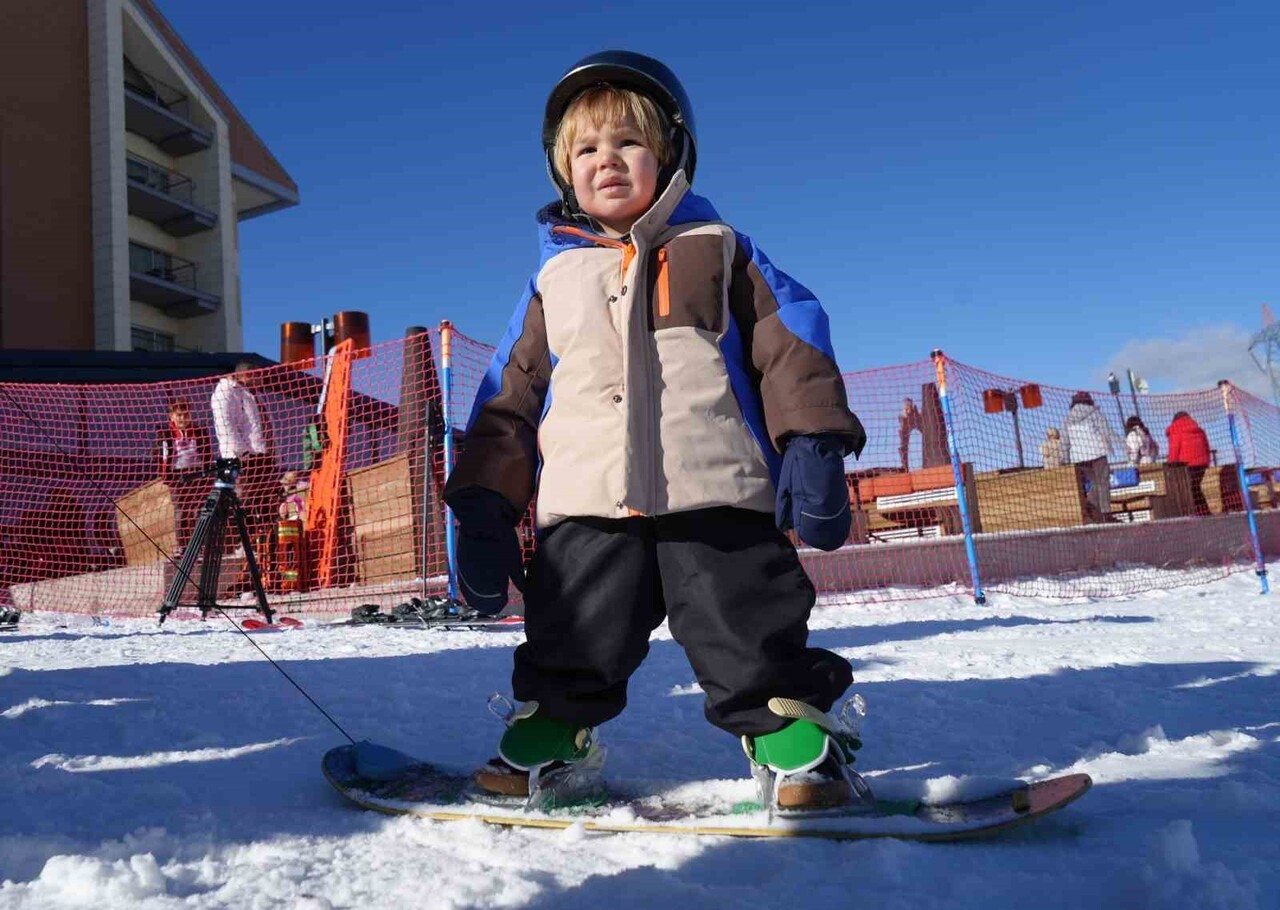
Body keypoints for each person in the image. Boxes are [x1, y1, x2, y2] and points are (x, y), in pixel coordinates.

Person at [443, 51, 867, 811]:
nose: (606, 160)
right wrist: (483, 503)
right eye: (585, 149)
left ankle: (791, 738)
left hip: (716, 488)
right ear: (560, 170)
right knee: (573, 632)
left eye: (628, 142)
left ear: (669, 152)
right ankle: (558, 737)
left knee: (746, 625)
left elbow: (788, 340)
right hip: (587, 501)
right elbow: (507, 398)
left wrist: (813, 440)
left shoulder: (721, 248)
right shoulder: (552, 281)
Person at [210, 361, 276, 553]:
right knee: (241, 498)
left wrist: (268, 450)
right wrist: (242, 453)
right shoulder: (225, 392)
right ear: (248, 375)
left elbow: (258, 425)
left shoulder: (249, 394)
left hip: (259, 455)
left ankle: (262, 541)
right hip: (240, 457)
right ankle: (239, 544)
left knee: (263, 499)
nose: (261, 381)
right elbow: (226, 425)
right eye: (259, 377)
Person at [154, 400, 212, 557]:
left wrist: (207, 474)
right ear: (172, 417)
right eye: (179, 415)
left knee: (198, 510)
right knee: (182, 511)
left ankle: (198, 545)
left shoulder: (199, 432)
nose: (182, 419)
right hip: (178, 475)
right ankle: (182, 545)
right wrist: (166, 476)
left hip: (196, 474)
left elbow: (206, 454)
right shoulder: (166, 434)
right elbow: (161, 456)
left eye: (186, 415)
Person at [1063, 391, 1121, 522]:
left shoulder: (1068, 418)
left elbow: (1064, 441)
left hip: (1079, 456)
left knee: (1094, 483)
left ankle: (1093, 511)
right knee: (1102, 482)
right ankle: (1105, 513)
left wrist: (1064, 459)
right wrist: (1122, 445)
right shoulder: (1095, 413)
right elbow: (1107, 432)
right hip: (1098, 452)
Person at [1166, 411, 1212, 515]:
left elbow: (1174, 449)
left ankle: (1197, 511)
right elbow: (1206, 446)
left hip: (1186, 463)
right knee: (1195, 486)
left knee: (1190, 488)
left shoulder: (1175, 429)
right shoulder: (1198, 429)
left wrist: (1170, 464)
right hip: (1202, 462)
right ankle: (1202, 511)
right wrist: (1207, 461)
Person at [898, 397, 921, 471]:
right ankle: (905, 466)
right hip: (906, 426)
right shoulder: (902, 415)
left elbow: (919, 419)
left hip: (915, 422)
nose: (907, 405)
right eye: (906, 404)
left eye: (909, 404)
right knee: (903, 445)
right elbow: (902, 424)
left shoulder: (915, 411)